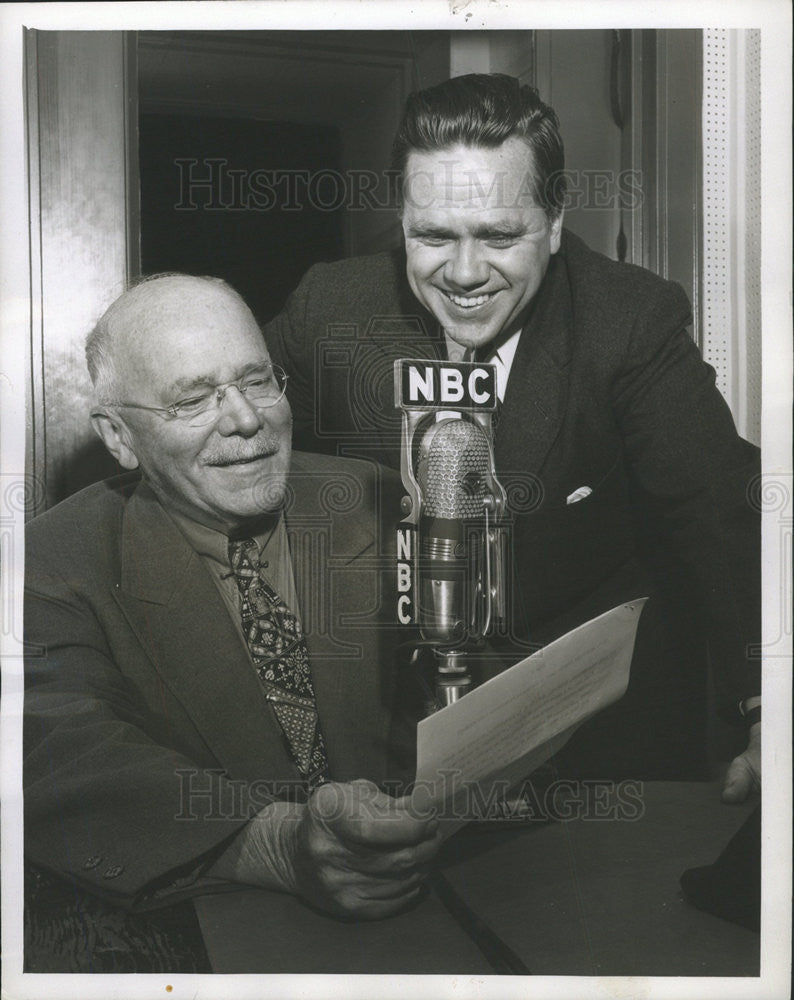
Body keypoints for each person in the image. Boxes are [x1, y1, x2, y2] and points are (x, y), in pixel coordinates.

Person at [264, 73, 761, 798]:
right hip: (383, 742)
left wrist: (770, 702)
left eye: (498, 236)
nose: (464, 274)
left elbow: (720, 510)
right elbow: (237, 444)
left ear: (555, 223)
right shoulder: (329, 310)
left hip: (594, 754)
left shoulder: (628, 320)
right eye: (432, 235)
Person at [23, 273, 441, 962]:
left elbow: (453, 686)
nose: (245, 418)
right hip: (208, 942)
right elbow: (60, 752)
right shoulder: (49, 563)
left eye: (257, 380)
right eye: (192, 399)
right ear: (120, 437)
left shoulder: (378, 500)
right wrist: (275, 846)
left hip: (421, 914)